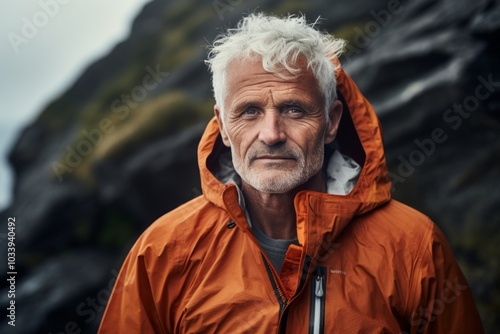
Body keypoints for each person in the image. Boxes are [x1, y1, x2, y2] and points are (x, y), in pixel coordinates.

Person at [99, 13, 484, 333]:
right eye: (249, 111)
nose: (271, 134)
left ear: (332, 121)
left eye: (294, 110)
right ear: (223, 127)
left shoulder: (413, 245)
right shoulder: (162, 253)